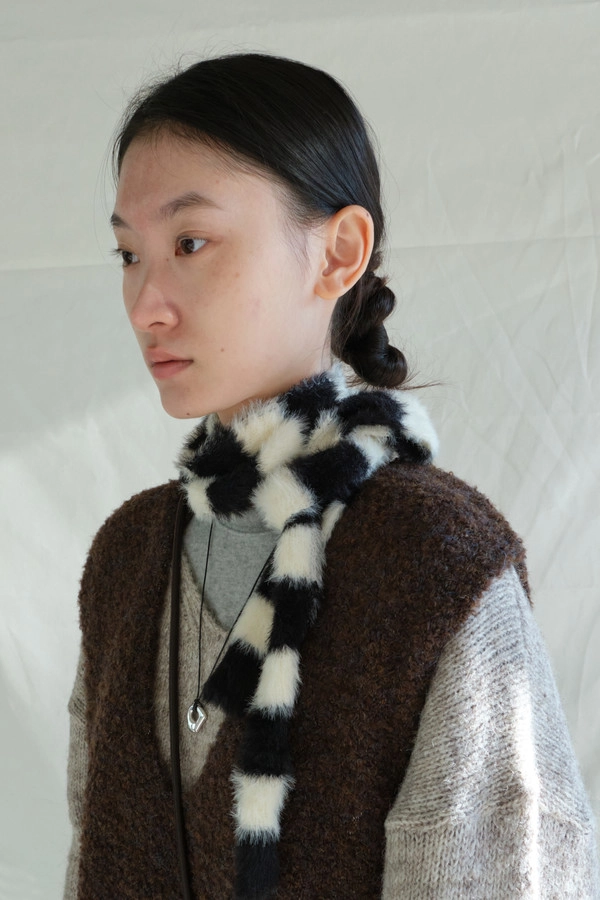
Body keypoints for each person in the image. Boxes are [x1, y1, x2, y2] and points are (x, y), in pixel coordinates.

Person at [64, 52, 599, 899]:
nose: (145, 305)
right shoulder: (127, 558)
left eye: (190, 243)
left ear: (338, 253)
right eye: (129, 254)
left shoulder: (438, 562)